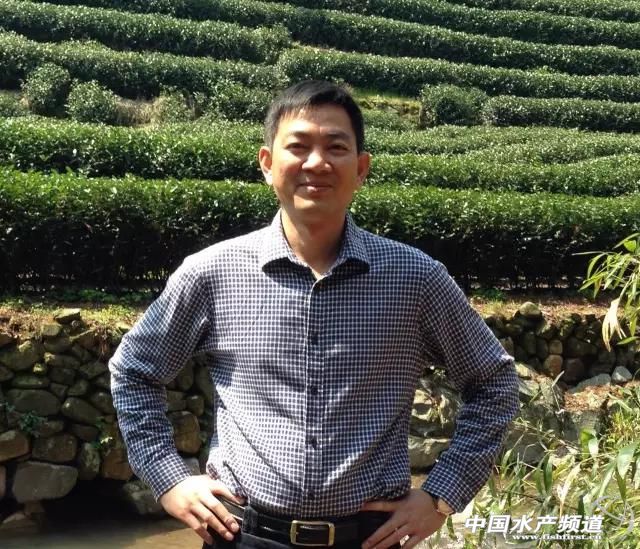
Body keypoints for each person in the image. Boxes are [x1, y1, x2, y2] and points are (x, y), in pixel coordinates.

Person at [109, 80, 519, 549]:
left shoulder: (415, 278)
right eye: (299, 146)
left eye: (336, 147)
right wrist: (169, 479)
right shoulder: (212, 273)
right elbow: (134, 370)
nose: (317, 163)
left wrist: (441, 495)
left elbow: (493, 382)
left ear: (361, 168)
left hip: (370, 540)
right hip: (242, 536)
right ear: (268, 164)